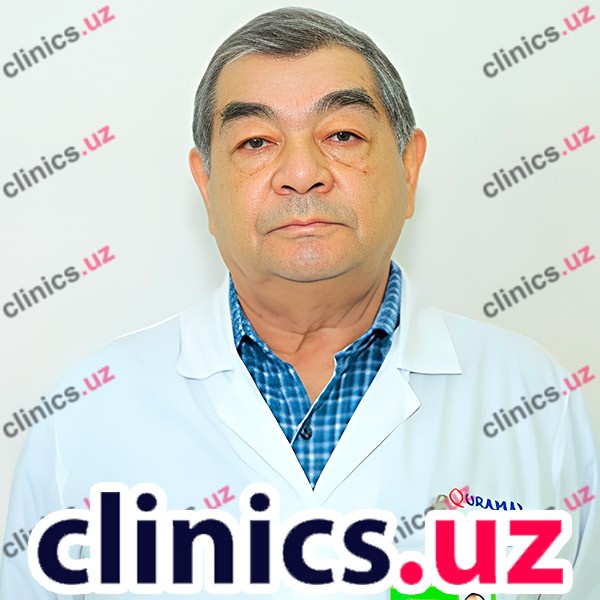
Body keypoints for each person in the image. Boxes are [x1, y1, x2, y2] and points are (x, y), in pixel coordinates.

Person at [0, 6, 597, 599]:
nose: (302, 172)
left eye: (342, 135)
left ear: (409, 168)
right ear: (206, 186)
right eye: (257, 141)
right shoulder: (85, 413)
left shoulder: (532, 399)